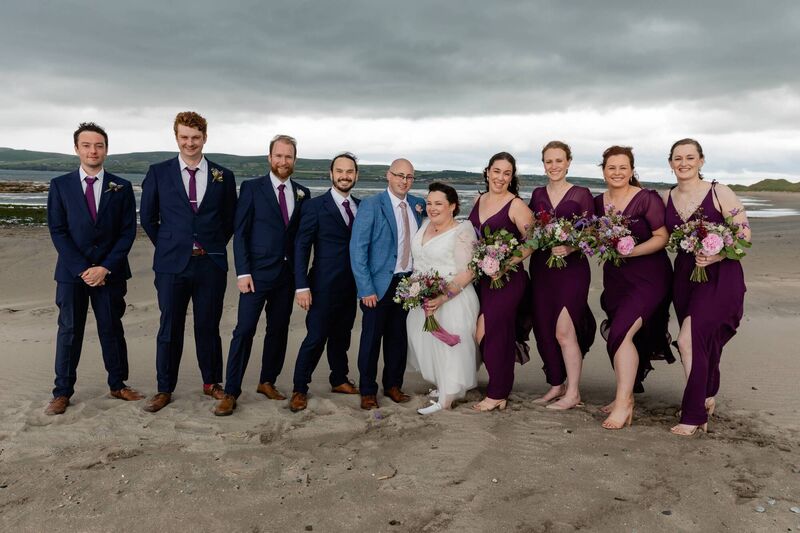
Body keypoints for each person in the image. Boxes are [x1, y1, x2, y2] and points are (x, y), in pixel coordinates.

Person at [139, 111, 237, 413]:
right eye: (184, 137)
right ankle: (164, 388)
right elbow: (148, 218)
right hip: (171, 265)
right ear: (176, 138)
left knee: (208, 326)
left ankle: (212, 383)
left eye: (195, 137)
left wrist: (210, 245)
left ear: (204, 138)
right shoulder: (158, 172)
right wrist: (172, 245)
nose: (190, 143)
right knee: (170, 327)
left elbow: (229, 219)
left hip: (210, 263)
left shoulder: (223, 175)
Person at [44, 122, 142, 415]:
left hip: (110, 274)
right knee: (69, 331)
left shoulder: (121, 187)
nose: (93, 151)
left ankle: (118, 384)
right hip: (72, 274)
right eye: (86, 145)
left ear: (106, 150)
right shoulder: (60, 185)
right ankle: (62, 392)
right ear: (77, 149)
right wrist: (83, 269)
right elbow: (58, 230)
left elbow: (127, 232)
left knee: (112, 329)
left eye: (99, 145)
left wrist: (105, 268)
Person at [213, 135, 310, 416]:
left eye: (288, 156)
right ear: (270, 158)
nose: (283, 161)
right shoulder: (253, 188)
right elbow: (240, 233)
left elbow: (300, 240)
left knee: (278, 331)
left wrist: (300, 280)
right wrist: (242, 272)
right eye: (278, 156)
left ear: (294, 159)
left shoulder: (302, 193)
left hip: (286, 276)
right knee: (243, 331)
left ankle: (267, 381)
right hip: (255, 275)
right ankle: (231, 391)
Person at [663, 138, 749, 436]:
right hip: (685, 277)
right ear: (670, 162)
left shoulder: (720, 192)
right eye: (677, 158)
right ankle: (704, 395)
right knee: (699, 342)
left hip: (722, 276)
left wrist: (717, 253)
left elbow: (744, 237)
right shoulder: (665, 197)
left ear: (701, 161)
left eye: (690, 157)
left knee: (687, 340)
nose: (683, 163)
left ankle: (694, 413)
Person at [594, 145, 673, 430]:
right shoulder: (596, 201)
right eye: (611, 167)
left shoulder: (646, 199)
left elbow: (661, 237)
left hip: (650, 276)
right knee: (622, 335)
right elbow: (591, 234)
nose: (617, 172)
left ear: (631, 170)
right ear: (603, 170)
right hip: (615, 279)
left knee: (620, 332)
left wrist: (632, 251)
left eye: (623, 167)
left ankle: (624, 402)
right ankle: (622, 397)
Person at [286, 152, 362, 413]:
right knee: (316, 337)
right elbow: (301, 247)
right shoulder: (314, 207)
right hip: (321, 285)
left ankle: (339, 379)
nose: (344, 176)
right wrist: (301, 285)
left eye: (349, 171)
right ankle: (299, 388)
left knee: (342, 337)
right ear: (331, 174)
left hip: (351, 286)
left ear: (356, 175)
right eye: (339, 171)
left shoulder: (361, 207)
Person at [350, 159, 425, 410]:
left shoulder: (418, 205)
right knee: (371, 339)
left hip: (407, 283)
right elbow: (357, 249)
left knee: (398, 338)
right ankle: (368, 391)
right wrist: (365, 288)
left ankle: (393, 385)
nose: (404, 181)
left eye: (409, 177)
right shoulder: (371, 205)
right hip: (378, 284)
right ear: (388, 175)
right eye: (399, 175)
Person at [528, 141, 596, 410]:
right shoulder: (536, 194)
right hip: (542, 267)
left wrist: (571, 245)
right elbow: (531, 229)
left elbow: (591, 232)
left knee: (564, 332)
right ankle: (556, 384)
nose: (554, 166)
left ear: (569, 162)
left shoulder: (581, 193)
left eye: (559, 160)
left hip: (573, 269)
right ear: (543, 164)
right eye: (548, 161)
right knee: (544, 328)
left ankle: (574, 392)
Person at [467, 152, 534, 411]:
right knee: (495, 333)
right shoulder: (478, 200)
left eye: (507, 173)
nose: (500, 177)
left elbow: (533, 241)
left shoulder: (515, 205)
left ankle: (497, 392)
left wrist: (505, 263)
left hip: (508, 279)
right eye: (496, 171)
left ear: (511, 177)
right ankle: (501, 388)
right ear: (487, 172)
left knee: (489, 330)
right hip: (483, 280)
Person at [407, 182, 479, 415]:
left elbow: (468, 272)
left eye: (439, 203)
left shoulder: (462, 231)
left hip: (452, 299)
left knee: (449, 347)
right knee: (428, 344)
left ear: (453, 206)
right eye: (429, 203)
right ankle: (444, 385)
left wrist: (442, 297)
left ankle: (447, 399)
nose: (432, 208)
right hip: (424, 297)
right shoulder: (425, 224)